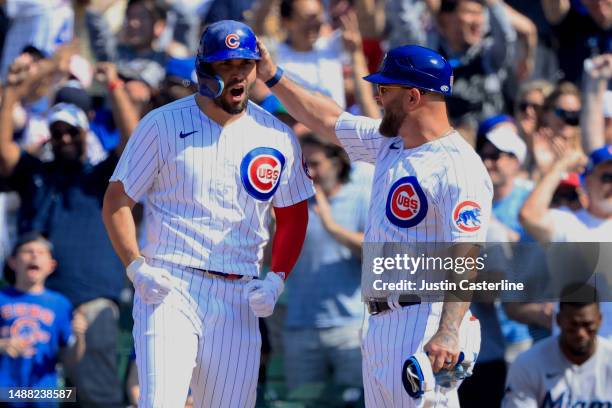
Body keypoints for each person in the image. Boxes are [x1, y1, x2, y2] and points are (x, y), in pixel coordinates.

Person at [257, 41, 493, 406]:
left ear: (413, 97)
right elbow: (325, 118)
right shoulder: (390, 143)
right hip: (380, 324)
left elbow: (466, 255)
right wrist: (272, 76)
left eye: (385, 88)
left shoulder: (459, 166)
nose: (377, 95)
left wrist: (448, 332)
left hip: (425, 320)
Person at [101, 20, 314, 407]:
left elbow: (294, 212)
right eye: (225, 65)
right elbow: (117, 201)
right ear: (204, 70)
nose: (237, 74)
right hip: (170, 285)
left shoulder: (277, 134)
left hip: (239, 293)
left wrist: (277, 278)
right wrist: (136, 266)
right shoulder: (162, 123)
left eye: (245, 64)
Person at [0, 53, 127, 407]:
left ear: (85, 131)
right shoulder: (36, 172)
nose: (65, 138)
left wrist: (114, 87)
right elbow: (4, 153)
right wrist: (10, 91)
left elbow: (133, 144)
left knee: (95, 395)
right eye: (58, 131)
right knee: (31, 393)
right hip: (33, 301)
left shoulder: (101, 175)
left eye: (72, 131)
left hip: (90, 302)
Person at [283, 134, 371, 391]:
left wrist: (332, 227)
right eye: (304, 166)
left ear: (337, 163)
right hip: (300, 326)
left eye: (315, 163)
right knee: (302, 402)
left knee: (355, 402)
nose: (309, 172)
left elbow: (376, 253)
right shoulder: (292, 204)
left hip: (349, 326)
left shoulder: (361, 197)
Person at [0, 233, 87, 408]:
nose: (34, 255)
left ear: (51, 265)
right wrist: (2, 344)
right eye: (28, 251)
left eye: (41, 252)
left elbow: (70, 360)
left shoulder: (61, 304)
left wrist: (80, 337)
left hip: (45, 395)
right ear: (13, 262)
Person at [502, 284, 612, 407]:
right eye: (573, 325)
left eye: (587, 325)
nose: (581, 333)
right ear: (558, 320)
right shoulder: (528, 364)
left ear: (600, 320)